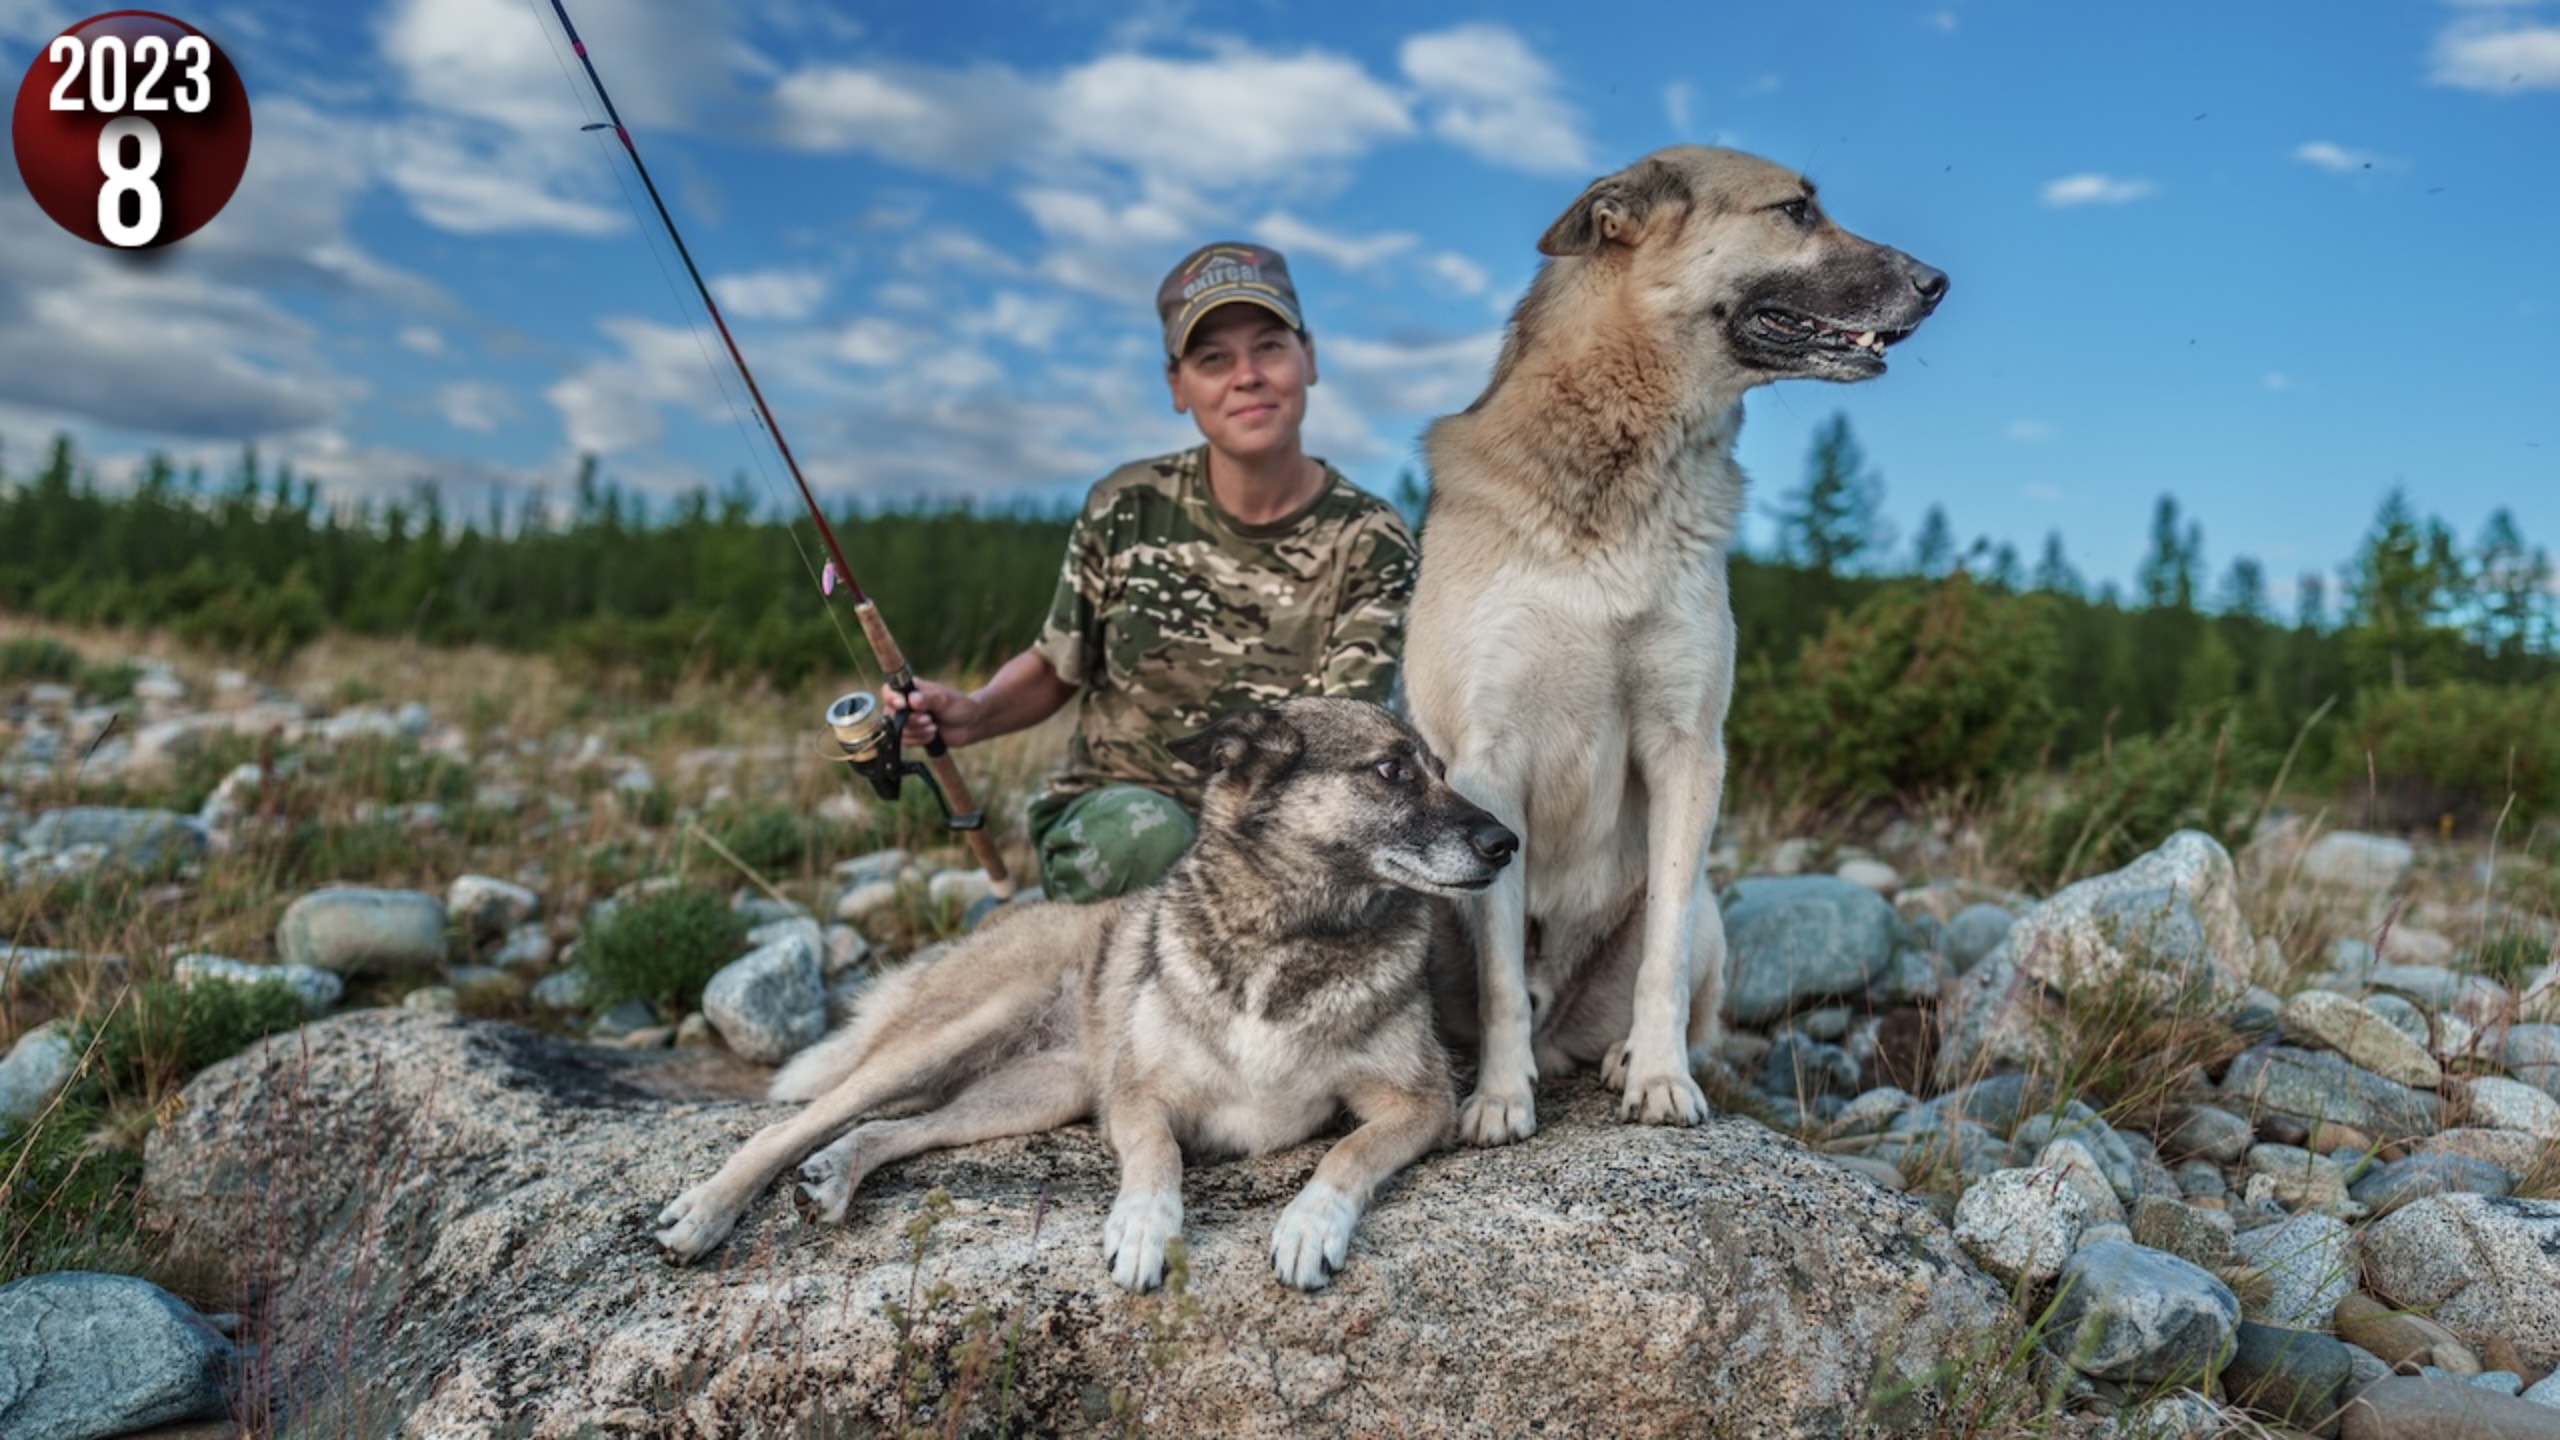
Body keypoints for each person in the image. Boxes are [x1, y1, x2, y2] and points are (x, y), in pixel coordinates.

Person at [885, 241, 1417, 902]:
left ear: (1308, 357)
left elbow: (1347, 734)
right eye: (1213, 359)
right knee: (1150, 841)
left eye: (1269, 347)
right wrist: (971, 715)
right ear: (1177, 386)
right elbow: (1057, 665)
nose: (1246, 376)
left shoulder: (1371, 539)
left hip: (1281, 834)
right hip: (1120, 817)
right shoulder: (1125, 506)